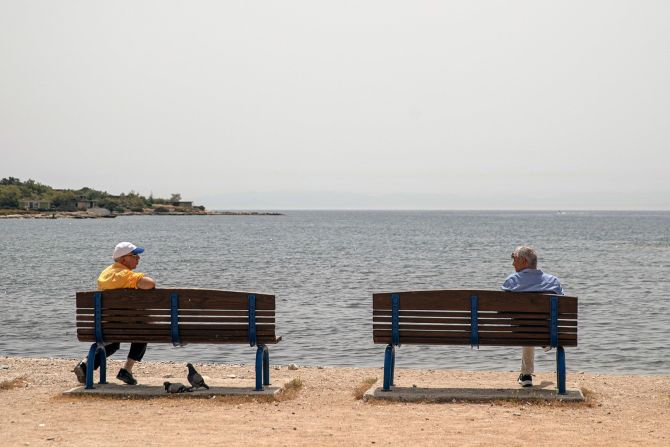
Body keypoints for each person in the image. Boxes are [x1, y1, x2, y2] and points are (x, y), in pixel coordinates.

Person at [73, 242, 156, 385]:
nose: (138, 258)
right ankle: (127, 370)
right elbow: (150, 284)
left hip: (106, 326)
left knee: (113, 342)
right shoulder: (124, 275)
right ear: (124, 259)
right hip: (128, 326)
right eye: (134, 255)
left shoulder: (105, 274)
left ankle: (86, 364)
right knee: (144, 329)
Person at [501, 245, 563, 388]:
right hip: (546, 331)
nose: (512, 263)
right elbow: (561, 310)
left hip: (519, 330)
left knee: (524, 323)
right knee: (532, 322)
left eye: (514, 259)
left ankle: (526, 375)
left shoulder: (512, 281)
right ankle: (542, 340)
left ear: (523, 261)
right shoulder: (553, 281)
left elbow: (502, 309)